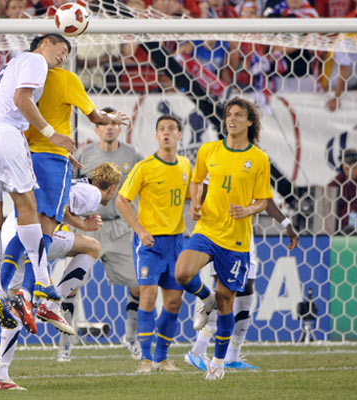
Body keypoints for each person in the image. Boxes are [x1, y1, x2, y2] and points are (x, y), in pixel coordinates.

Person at [0, 45, 130, 336]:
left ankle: (1, 293)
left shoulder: (18, 75)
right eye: (61, 50)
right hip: (48, 158)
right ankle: (38, 299)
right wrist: (111, 119)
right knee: (48, 230)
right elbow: (94, 116)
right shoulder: (65, 79)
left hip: (20, 155)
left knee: (27, 225)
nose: (63, 56)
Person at [0, 33, 75, 330]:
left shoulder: (7, 68)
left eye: (67, 54)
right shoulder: (35, 60)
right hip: (5, 134)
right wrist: (53, 134)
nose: (62, 57)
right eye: (61, 49)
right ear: (44, 43)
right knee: (28, 207)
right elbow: (21, 99)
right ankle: (42, 280)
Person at [0, 163, 122, 391]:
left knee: (17, 311)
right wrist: (82, 224)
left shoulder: (72, 182)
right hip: (30, 237)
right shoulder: (92, 193)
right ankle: (52, 302)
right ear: (112, 188)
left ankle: (1, 375)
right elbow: (58, 206)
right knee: (92, 247)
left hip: (9, 235)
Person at [174, 97, 273, 380]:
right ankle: (204, 300)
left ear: (250, 121)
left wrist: (248, 209)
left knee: (226, 300)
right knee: (182, 272)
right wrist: (195, 203)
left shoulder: (258, 158)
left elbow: (264, 200)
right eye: (229, 114)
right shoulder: (209, 150)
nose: (232, 119)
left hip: (236, 239)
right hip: (207, 229)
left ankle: (217, 363)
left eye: (239, 115)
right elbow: (197, 180)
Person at [116, 115, 192, 373]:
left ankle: (161, 357)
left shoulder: (185, 166)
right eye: (162, 129)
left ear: (180, 135)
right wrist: (139, 229)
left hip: (177, 243)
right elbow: (122, 200)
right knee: (147, 296)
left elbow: (194, 196)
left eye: (171, 129)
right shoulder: (145, 166)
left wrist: (200, 207)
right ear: (156, 136)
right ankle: (145, 359)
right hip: (150, 243)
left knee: (174, 302)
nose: (167, 133)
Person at [184, 199, 298, 371]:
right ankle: (197, 350)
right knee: (223, 295)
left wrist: (286, 223)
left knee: (246, 296)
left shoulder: (252, 174)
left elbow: (264, 199)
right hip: (222, 235)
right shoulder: (220, 173)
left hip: (244, 236)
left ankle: (232, 356)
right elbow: (205, 188)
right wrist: (198, 205)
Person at [73, 107, 144, 360]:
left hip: (120, 227)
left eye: (114, 124)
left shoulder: (133, 155)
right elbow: (68, 187)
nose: (110, 127)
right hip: (88, 225)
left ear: (120, 128)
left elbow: (145, 184)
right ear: (97, 129)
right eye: (104, 123)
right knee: (72, 285)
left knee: (138, 285)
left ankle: (131, 338)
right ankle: (65, 345)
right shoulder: (84, 154)